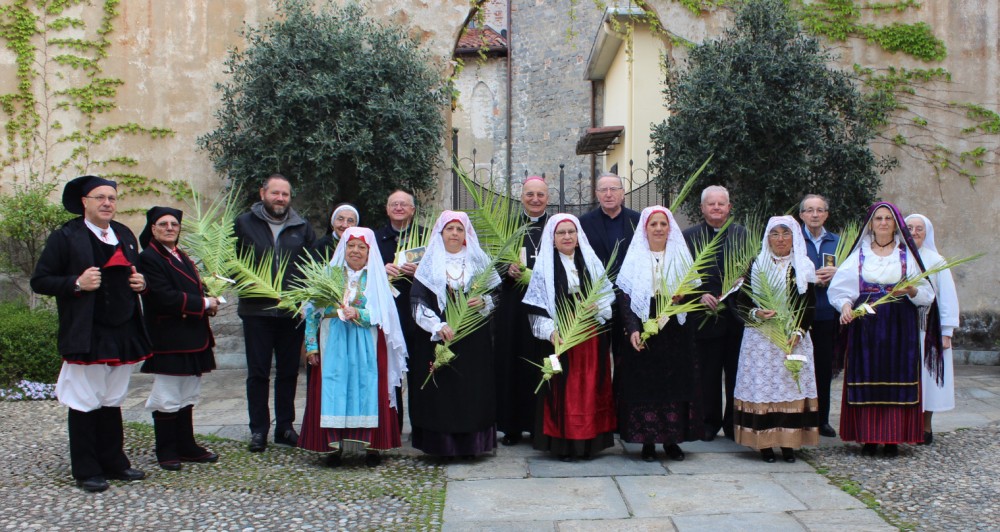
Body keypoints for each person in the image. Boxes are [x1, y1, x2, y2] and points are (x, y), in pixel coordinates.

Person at [30, 175, 150, 492]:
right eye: (100, 197)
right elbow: (40, 280)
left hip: (123, 329)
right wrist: (76, 283)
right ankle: (86, 469)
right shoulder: (66, 236)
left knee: (111, 400)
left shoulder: (124, 234)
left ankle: (113, 462)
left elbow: (136, 274)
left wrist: (142, 284)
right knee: (85, 400)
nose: (107, 203)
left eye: (111, 197)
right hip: (88, 330)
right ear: (84, 202)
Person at [828, 202, 936, 457]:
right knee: (867, 378)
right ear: (871, 223)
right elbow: (842, 289)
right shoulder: (859, 255)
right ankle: (867, 438)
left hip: (900, 325)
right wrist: (845, 306)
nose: (884, 223)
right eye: (879, 218)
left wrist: (911, 290)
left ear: (896, 224)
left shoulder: (907, 255)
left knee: (896, 378)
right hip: (866, 325)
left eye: (888, 218)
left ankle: (892, 439)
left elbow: (927, 294)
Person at [302, 227, 408, 467]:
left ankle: (371, 447)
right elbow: (312, 312)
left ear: (370, 252)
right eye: (351, 246)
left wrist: (358, 312)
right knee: (334, 390)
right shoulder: (328, 275)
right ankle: (333, 447)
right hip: (333, 342)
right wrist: (311, 346)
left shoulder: (376, 280)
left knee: (366, 388)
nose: (356, 251)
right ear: (343, 248)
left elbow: (386, 316)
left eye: (362, 247)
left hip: (366, 343)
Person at [523, 214, 617, 461]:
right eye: (561, 233)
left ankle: (590, 443)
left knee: (590, 388)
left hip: (591, 338)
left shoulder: (591, 263)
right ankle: (565, 444)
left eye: (571, 232)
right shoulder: (544, 268)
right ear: (552, 239)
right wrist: (551, 332)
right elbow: (537, 306)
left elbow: (607, 295)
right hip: (561, 339)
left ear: (578, 237)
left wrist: (598, 307)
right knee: (566, 390)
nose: (566, 236)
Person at [235, 174, 317, 452]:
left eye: (285, 194)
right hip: (256, 311)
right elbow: (230, 263)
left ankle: (284, 426)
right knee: (257, 372)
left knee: (288, 372)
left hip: (290, 313)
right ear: (263, 194)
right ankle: (258, 430)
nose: (280, 198)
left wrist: (305, 301)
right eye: (275, 193)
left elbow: (312, 266)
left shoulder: (302, 226)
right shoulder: (244, 223)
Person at [408, 211, 501, 458]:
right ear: (441, 233)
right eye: (450, 229)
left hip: (473, 336)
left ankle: (472, 443)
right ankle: (441, 444)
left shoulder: (479, 261)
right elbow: (417, 301)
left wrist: (484, 301)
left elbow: (498, 293)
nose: (455, 234)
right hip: (440, 335)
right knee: (441, 391)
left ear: (466, 234)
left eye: (460, 229)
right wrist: (436, 326)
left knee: (472, 388)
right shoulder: (429, 263)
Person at [616, 206, 704, 461]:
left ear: (670, 229)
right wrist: (632, 329)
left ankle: (672, 441)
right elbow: (625, 296)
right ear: (645, 228)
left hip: (675, 328)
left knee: (674, 385)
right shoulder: (635, 258)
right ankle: (647, 442)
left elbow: (695, 292)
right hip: (645, 324)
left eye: (662, 224)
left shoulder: (680, 256)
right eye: (653, 224)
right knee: (646, 385)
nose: (658, 229)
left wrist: (684, 295)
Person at [137, 206, 220, 471]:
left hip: (193, 334)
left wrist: (209, 302)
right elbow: (163, 297)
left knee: (188, 393)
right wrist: (205, 302)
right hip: (170, 336)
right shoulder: (149, 257)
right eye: (163, 224)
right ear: (152, 228)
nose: (170, 228)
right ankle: (166, 449)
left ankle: (187, 445)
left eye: (174, 224)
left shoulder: (182, 256)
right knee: (168, 394)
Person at [733, 216, 819, 463]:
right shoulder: (757, 264)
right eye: (774, 234)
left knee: (790, 388)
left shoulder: (804, 266)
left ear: (794, 237)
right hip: (761, 338)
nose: (780, 239)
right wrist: (756, 313)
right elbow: (742, 302)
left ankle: (789, 444)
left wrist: (798, 332)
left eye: (786, 233)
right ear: (767, 238)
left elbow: (809, 304)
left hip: (793, 336)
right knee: (763, 388)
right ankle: (765, 444)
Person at [682, 185, 747, 440]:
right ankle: (708, 423)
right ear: (702, 208)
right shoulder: (688, 238)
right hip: (703, 316)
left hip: (736, 317)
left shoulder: (744, 235)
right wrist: (698, 295)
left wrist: (742, 281)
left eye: (721, 204)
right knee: (707, 374)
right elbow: (680, 275)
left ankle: (733, 424)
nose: (717, 208)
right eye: (712, 204)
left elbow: (755, 273)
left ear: (729, 207)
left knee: (735, 372)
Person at [299, 203, 359, 459]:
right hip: (330, 336)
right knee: (329, 388)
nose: (345, 224)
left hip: (357, 339)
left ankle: (356, 441)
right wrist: (311, 345)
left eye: (351, 220)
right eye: (340, 219)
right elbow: (312, 309)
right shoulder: (322, 258)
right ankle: (328, 442)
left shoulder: (367, 273)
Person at [495, 176, 551, 446]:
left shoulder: (556, 227)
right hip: (514, 307)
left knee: (542, 362)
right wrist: (507, 270)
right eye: (530, 194)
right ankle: (513, 427)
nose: (535, 199)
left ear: (547, 198)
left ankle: (541, 424)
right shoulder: (508, 228)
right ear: (522, 197)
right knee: (513, 362)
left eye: (540, 194)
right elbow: (491, 263)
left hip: (546, 307)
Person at [905, 214, 959, 445]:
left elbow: (947, 296)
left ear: (926, 233)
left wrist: (947, 331)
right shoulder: (897, 257)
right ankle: (906, 425)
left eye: (920, 229)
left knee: (929, 379)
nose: (915, 232)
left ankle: (925, 426)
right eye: (910, 228)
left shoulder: (936, 260)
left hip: (929, 327)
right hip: (902, 328)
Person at [374, 190, 421, 432]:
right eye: (395, 204)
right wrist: (381, 270)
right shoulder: (375, 238)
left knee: (419, 371)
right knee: (390, 370)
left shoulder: (427, 235)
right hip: (387, 314)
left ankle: (419, 426)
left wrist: (419, 272)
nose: (399, 207)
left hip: (419, 314)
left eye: (405, 204)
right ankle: (392, 426)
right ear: (387, 208)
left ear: (413, 209)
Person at [799, 194, 840, 438]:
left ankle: (822, 418)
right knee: (799, 367)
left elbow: (850, 273)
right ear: (802, 215)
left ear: (826, 214)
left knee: (823, 368)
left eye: (820, 210)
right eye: (810, 210)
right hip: (800, 314)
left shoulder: (837, 242)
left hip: (826, 312)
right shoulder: (794, 240)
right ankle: (800, 416)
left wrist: (838, 272)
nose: (815, 214)